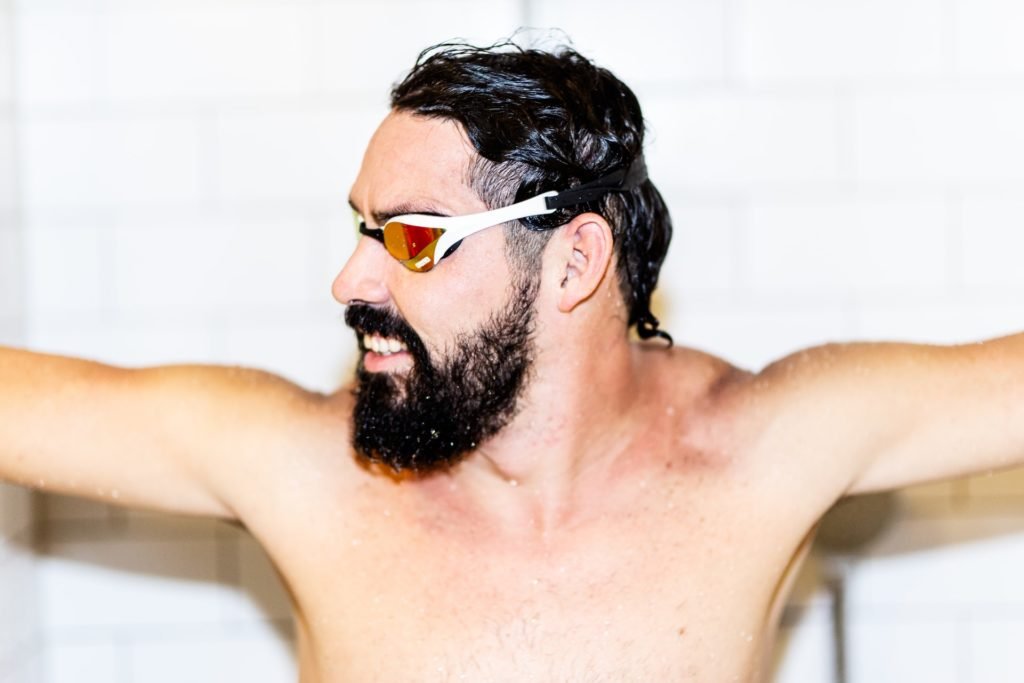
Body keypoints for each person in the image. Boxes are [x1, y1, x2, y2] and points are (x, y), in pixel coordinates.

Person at [1, 41, 1022, 682]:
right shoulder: (306, 470)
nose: (348, 281)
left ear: (573, 259)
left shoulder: (760, 450)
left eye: (409, 237)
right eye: (362, 228)